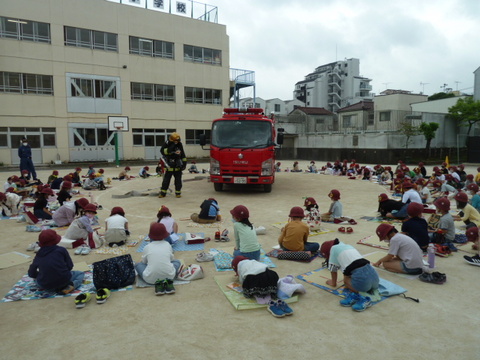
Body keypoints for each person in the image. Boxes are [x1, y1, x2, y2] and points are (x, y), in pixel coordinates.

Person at [320, 239, 379, 312]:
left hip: (364, 285)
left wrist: (333, 283)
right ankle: (362, 290)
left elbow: (333, 270)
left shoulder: (333, 249)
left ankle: (363, 297)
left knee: (346, 279)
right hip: (375, 279)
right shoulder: (347, 246)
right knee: (350, 272)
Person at [28, 230, 84, 294]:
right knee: (80, 273)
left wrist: (40, 275)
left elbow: (31, 273)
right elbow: (70, 266)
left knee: (37, 280)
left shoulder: (39, 254)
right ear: (55, 241)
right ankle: (72, 285)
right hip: (64, 281)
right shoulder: (61, 250)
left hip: (46, 286)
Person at [135, 223, 181, 295]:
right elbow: (172, 260)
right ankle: (167, 282)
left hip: (150, 279)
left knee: (138, 265)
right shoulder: (167, 244)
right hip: (170, 276)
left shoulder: (147, 247)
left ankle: (158, 283)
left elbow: (144, 262)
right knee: (177, 262)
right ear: (165, 235)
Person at [159, 132, 187, 198]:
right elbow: (163, 151)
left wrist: (184, 163)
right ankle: (163, 193)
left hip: (177, 166)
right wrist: (172, 146)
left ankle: (178, 193)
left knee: (178, 180)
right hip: (169, 165)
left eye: (177, 141)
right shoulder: (167, 143)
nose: (176, 142)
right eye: (175, 141)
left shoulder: (180, 144)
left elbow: (182, 154)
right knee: (166, 180)